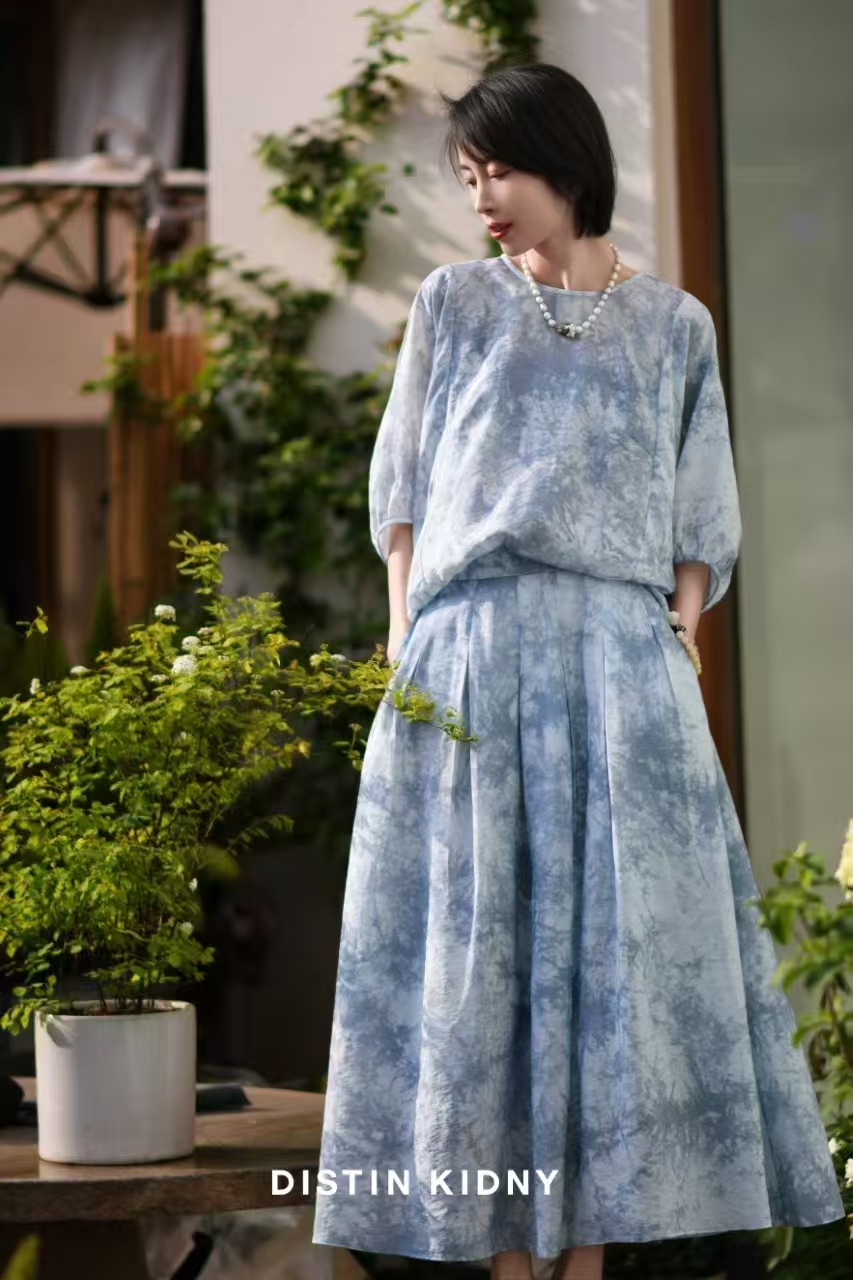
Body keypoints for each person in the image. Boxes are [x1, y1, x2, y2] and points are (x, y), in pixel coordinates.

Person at [311, 62, 845, 1280]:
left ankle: (591, 1253)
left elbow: (701, 499)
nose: (480, 198)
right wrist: (404, 633)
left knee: (617, 959)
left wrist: (683, 632)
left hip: (618, 660)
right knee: (481, 953)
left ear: (564, 159)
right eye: (468, 176)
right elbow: (403, 485)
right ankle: (506, 1253)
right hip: (472, 652)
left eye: (497, 170)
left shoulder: (673, 323)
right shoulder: (453, 302)